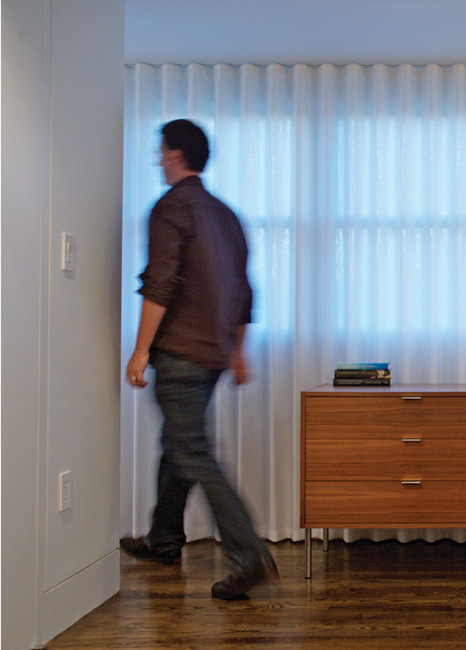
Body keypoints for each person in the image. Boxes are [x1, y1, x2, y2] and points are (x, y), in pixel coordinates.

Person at [121, 119, 276, 600]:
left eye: (160, 151)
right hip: (210, 354)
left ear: (174, 154)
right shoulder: (225, 214)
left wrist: (141, 349)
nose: (157, 159)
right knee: (179, 443)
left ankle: (248, 555)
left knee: (192, 451)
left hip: (180, 351)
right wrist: (237, 352)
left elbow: (161, 284)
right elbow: (244, 292)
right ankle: (164, 540)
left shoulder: (171, 208)